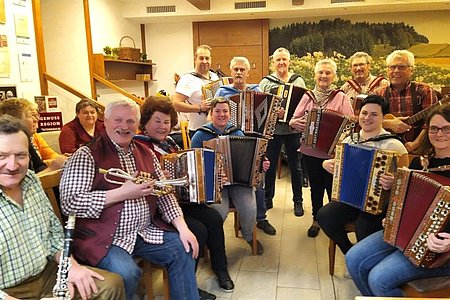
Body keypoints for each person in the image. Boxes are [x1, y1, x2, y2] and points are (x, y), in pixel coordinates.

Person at [59, 99, 199, 300]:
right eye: (118, 120)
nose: (124, 126)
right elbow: (69, 202)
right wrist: (122, 193)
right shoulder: (86, 154)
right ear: (105, 121)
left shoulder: (145, 152)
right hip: (105, 238)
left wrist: (182, 227)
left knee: (183, 248)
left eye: (130, 122)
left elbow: (164, 194)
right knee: (127, 273)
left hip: (143, 232)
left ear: (137, 124)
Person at [0, 114, 125, 299]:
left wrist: (70, 266)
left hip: (47, 274)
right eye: (2, 156)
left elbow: (55, 234)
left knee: (110, 285)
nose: (12, 165)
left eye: (21, 155)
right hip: (8, 291)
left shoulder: (31, 181)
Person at [134, 96, 234, 298]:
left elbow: (189, 170)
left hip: (179, 202)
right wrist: (158, 177)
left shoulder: (169, 143)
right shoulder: (137, 147)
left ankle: (220, 268)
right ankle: (187, 285)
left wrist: (214, 177)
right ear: (145, 123)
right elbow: (137, 183)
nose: (163, 126)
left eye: (167, 122)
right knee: (197, 229)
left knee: (213, 218)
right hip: (155, 211)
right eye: (157, 121)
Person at [345, 104, 450, 297]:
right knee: (353, 258)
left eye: (446, 128)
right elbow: (404, 200)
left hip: (442, 251)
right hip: (408, 235)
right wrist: (395, 217)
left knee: (379, 279)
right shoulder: (420, 162)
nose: (439, 133)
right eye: (434, 128)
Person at [317, 95, 409, 256]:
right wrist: (326, 165)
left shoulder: (393, 145)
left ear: (383, 117)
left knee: (364, 227)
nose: (367, 118)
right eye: (364, 113)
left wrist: (393, 182)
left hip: (380, 204)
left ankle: (366, 262)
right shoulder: (349, 140)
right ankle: (350, 253)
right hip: (350, 199)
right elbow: (337, 164)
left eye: (374, 114)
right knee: (324, 216)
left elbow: (404, 181)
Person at [191, 97, 269, 255]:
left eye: (225, 111)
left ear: (230, 113)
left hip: (238, 182)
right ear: (211, 113)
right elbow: (193, 165)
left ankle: (248, 236)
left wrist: (262, 164)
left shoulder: (237, 132)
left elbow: (250, 158)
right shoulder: (200, 136)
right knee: (219, 211)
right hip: (213, 184)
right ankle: (214, 244)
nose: (221, 114)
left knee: (249, 208)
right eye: (217, 111)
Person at [289, 58, 354, 238]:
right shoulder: (307, 97)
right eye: (321, 72)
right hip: (310, 152)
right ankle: (316, 219)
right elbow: (293, 120)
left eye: (328, 73)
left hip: (333, 154)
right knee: (315, 187)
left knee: (333, 188)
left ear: (334, 76)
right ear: (315, 75)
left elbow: (351, 124)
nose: (324, 76)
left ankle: (333, 220)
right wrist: (297, 123)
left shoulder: (341, 97)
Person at [214, 56, 276, 236]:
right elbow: (213, 116)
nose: (239, 72)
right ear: (231, 71)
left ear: (248, 73)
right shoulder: (222, 92)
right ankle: (243, 216)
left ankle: (261, 218)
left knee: (259, 178)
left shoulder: (257, 91)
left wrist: (275, 112)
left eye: (242, 69)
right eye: (236, 69)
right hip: (229, 141)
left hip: (253, 139)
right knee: (236, 178)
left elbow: (269, 115)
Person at [259, 47, 307, 217]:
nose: (281, 63)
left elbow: (305, 104)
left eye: (284, 59)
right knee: (269, 166)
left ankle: (298, 201)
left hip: (293, 131)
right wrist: (274, 110)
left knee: (296, 167)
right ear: (273, 63)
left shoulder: (298, 81)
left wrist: (292, 114)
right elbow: (260, 107)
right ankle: (267, 199)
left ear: (288, 61)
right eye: (278, 60)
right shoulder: (266, 82)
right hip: (272, 130)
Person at [375, 49, 438, 152]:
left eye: (402, 67)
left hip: (419, 150)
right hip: (385, 150)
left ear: (411, 70)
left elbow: (430, 124)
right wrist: (389, 124)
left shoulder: (424, 91)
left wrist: (415, 144)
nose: (396, 71)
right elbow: (368, 122)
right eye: (392, 67)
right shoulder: (378, 94)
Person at [0, 98, 63, 174]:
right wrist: (53, 167)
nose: (37, 119)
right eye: (32, 115)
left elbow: (39, 168)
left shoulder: (27, 139)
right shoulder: (7, 144)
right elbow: (22, 183)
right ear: (16, 120)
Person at [172, 44, 219, 137]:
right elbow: (176, 104)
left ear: (211, 59)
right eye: (201, 58)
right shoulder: (187, 79)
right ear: (195, 59)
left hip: (216, 128)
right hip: (198, 130)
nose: (204, 61)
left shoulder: (214, 76)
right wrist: (200, 107)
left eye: (207, 58)